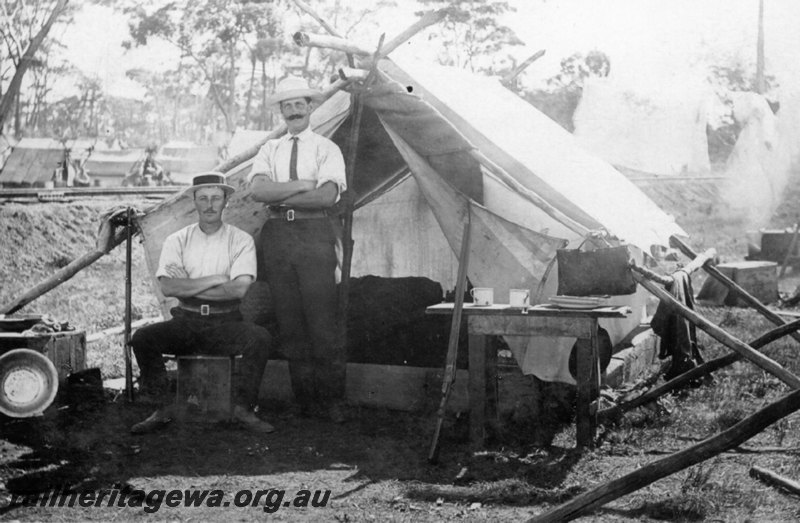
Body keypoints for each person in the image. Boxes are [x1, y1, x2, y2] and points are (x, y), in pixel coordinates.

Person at [130, 172, 274, 434]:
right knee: (142, 338)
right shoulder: (177, 240)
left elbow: (238, 289)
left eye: (216, 198)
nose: (209, 205)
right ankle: (163, 408)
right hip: (187, 321)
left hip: (225, 322)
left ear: (226, 201)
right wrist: (217, 280)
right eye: (203, 198)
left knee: (260, 338)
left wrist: (192, 286)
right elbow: (169, 286)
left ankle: (243, 409)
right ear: (194, 201)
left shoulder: (240, 240)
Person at [247, 76, 347, 423]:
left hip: (313, 231)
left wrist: (284, 191)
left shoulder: (325, 148)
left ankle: (331, 401)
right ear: (281, 111)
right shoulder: (269, 149)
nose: (292, 111)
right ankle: (305, 402)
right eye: (286, 106)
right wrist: (303, 185)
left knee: (321, 320)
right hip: (278, 235)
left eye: (298, 104)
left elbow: (326, 195)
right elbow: (259, 191)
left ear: (310, 107)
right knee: (289, 322)